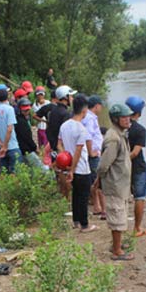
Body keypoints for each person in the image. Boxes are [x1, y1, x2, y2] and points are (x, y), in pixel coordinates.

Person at [95, 104, 133, 261]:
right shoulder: (113, 138)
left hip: (121, 184)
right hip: (115, 184)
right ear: (116, 119)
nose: (128, 120)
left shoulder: (120, 134)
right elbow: (104, 164)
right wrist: (99, 180)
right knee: (117, 217)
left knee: (121, 215)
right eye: (124, 117)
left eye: (128, 117)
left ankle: (117, 244)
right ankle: (116, 251)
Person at [58, 94, 97, 233]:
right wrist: (72, 170)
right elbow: (79, 151)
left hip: (70, 166)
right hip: (80, 167)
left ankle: (76, 221)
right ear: (84, 110)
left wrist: (65, 158)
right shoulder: (81, 129)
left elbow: (59, 144)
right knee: (83, 196)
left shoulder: (64, 126)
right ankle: (85, 225)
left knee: (76, 194)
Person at [126, 95, 146, 237]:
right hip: (138, 168)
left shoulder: (121, 127)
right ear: (138, 112)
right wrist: (125, 161)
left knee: (126, 195)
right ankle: (137, 228)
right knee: (140, 197)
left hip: (125, 169)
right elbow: (135, 152)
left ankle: (127, 225)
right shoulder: (140, 130)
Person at [82, 95, 106, 218]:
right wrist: (92, 152)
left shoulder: (86, 117)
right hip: (93, 154)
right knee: (99, 180)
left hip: (90, 153)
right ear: (96, 106)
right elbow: (89, 136)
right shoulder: (90, 118)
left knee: (94, 181)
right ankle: (103, 210)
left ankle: (97, 207)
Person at [0, 86, 21, 174]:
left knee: (4, 171)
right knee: (16, 172)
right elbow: (10, 129)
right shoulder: (9, 109)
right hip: (12, 146)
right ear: (7, 97)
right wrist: (5, 145)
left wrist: (1, 144)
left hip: (1, 147)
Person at [15, 98, 42, 168]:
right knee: (42, 169)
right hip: (26, 150)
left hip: (23, 149)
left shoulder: (21, 119)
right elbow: (27, 137)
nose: (27, 111)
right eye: (25, 110)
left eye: (28, 110)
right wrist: (35, 148)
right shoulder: (21, 121)